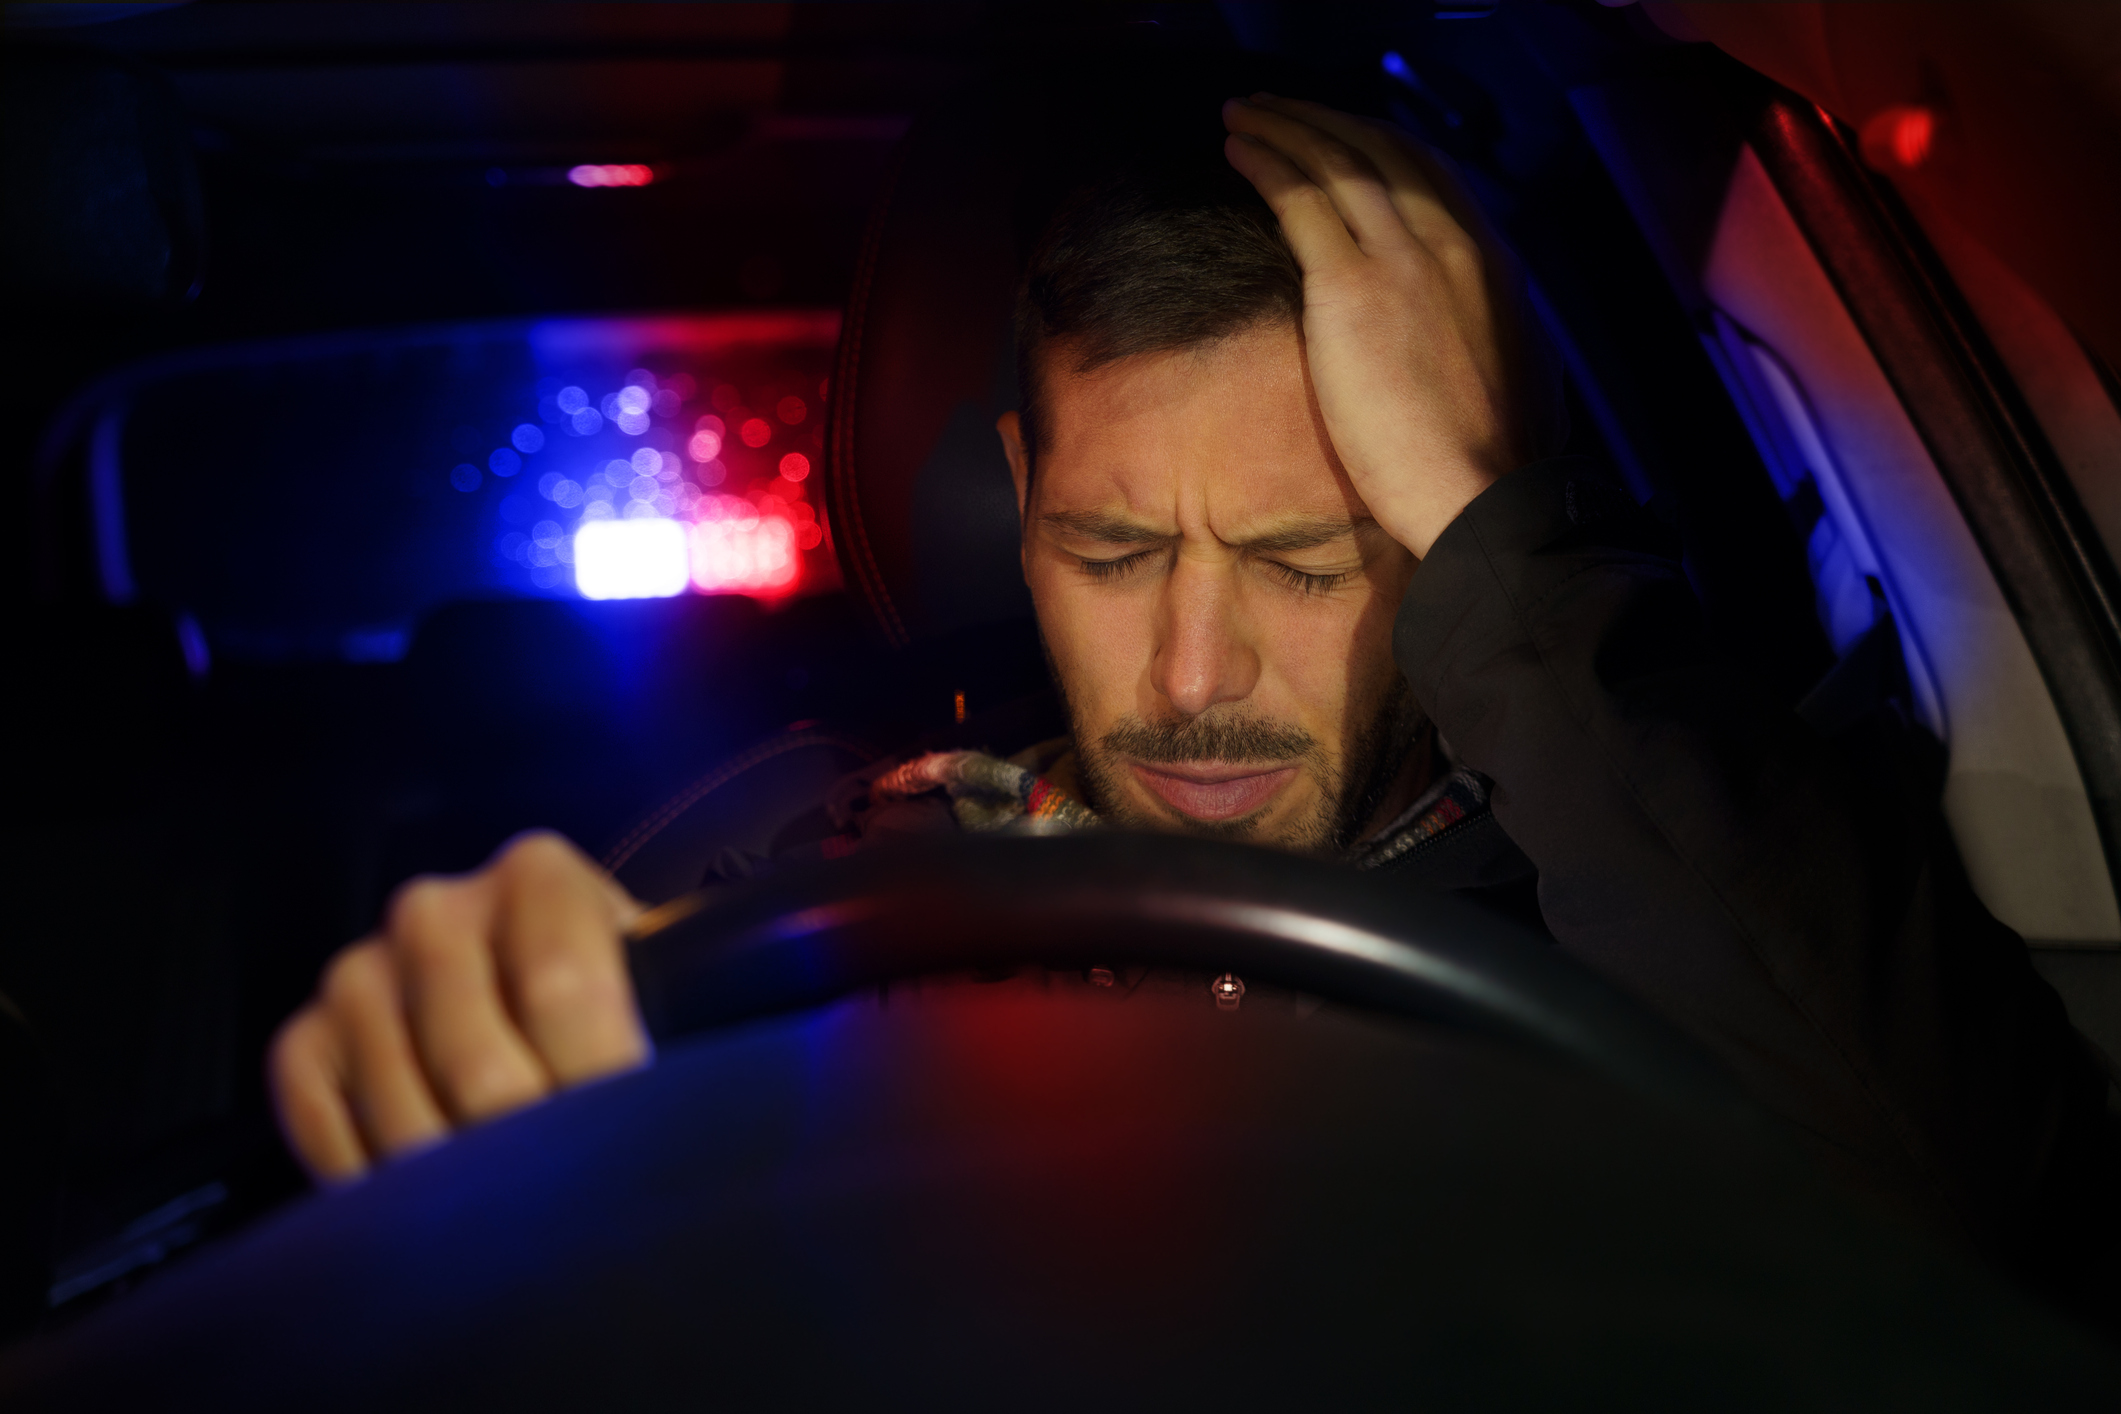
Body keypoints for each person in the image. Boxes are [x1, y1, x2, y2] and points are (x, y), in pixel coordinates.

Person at [269, 96, 2115, 1315]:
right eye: (1111, 547)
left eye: (1307, 562)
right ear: (1017, 497)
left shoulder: (1658, 874)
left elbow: (1950, 1221)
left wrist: (1499, 545)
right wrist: (468, 1108)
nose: (1188, 677)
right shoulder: (812, 876)